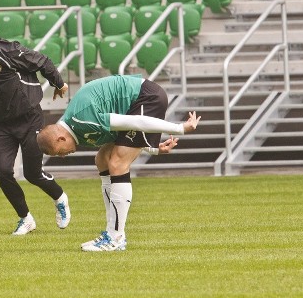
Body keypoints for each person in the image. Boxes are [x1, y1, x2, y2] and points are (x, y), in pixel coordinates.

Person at [37, 75, 200, 252]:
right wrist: (153, 148)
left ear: (61, 138)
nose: (62, 156)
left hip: (146, 97)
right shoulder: (74, 128)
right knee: (102, 160)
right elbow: (122, 135)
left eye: (59, 152)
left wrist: (180, 128)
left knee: (117, 163)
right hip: (135, 103)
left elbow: (136, 122)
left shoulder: (83, 120)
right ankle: (111, 233)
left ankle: (115, 237)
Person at [0, 13, 71, 236]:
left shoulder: (8, 50)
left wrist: (59, 84)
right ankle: (26, 219)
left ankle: (60, 198)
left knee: (33, 174)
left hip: (29, 118)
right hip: (1, 123)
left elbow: (43, 61)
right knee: (3, 172)